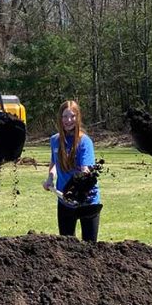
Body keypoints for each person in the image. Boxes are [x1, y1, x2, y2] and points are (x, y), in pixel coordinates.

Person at [43, 100, 101, 241]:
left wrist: (78, 187)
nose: (68, 120)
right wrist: (50, 178)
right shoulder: (55, 140)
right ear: (60, 118)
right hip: (64, 200)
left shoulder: (84, 141)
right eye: (65, 116)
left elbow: (85, 170)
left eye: (72, 116)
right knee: (66, 245)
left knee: (90, 246)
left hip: (87, 201)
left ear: (78, 117)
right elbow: (54, 163)